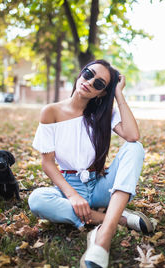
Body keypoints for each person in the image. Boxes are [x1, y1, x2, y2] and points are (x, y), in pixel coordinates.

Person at [28, 59, 154, 268]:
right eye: (88, 74)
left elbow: (132, 135)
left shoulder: (103, 114)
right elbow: (48, 163)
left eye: (99, 84)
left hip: (99, 185)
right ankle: (117, 219)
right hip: (70, 184)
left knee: (135, 148)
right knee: (37, 200)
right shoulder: (51, 112)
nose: (89, 82)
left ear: (102, 93)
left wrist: (118, 94)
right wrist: (72, 195)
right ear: (81, 73)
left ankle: (103, 236)